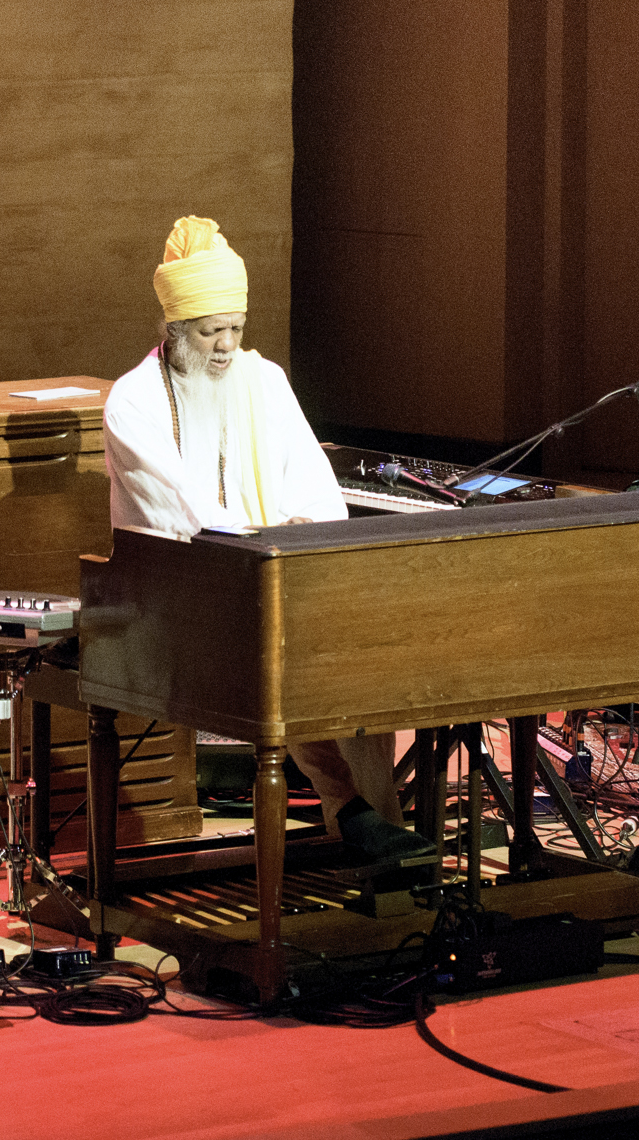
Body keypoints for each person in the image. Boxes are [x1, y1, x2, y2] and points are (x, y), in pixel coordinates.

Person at [102, 216, 431, 864]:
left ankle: (373, 833)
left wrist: (289, 536)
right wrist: (277, 540)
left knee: (362, 651)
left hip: (277, 582)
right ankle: (363, 826)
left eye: (233, 328)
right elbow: (191, 524)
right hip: (181, 603)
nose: (224, 347)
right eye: (208, 332)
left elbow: (317, 501)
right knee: (290, 649)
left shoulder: (265, 383)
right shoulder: (134, 403)